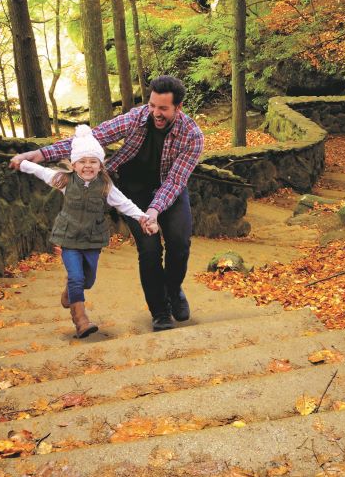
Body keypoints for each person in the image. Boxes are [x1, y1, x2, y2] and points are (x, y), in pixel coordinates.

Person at [10, 75, 204, 331]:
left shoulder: (192, 136)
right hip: (133, 190)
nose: (155, 113)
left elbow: (175, 181)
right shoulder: (137, 118)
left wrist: (155, 210)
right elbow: (91, 139)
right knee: (149, 249)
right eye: (152, 105)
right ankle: (160, 311)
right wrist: (40, 154)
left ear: (178, 108)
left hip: (170, 190)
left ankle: (173, 287)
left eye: (163, 109)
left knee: (179, 243)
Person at [9, 125, 157, 338]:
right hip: (69, 238)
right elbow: (42, 172)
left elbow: (124, 204)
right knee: (77, 277)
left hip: (92, 239)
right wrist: (22, 163)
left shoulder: (105, 186)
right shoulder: (64, 180)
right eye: (83, 162)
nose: (88, 166)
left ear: (100, 165)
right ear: (74, 164)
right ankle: (81, 321)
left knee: (88, 280)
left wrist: (143, 217)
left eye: (93, 162)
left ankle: (70, 292)